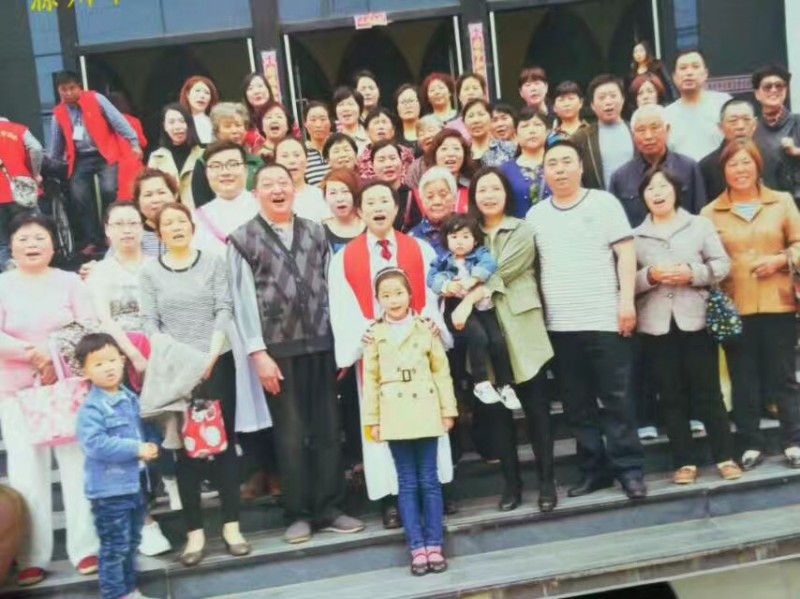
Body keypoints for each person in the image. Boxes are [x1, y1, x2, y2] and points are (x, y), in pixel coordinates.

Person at [228, 163, 364, 544]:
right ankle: (299, 513)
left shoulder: (316, 231)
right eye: (268, 184)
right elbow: (240, 302)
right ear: (256, 194)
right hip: (277, 350)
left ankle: (331, 507)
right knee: (290, 434)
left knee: (326, 429)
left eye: (283, 183)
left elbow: (334, 288)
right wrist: (258, 353)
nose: (277, 189)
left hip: (322, 343)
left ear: (294, 189)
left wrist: (341, 345)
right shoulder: (242, 238)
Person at [328, 180, 453, 528]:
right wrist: (363, 334)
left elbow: (431, 297)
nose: (379, 207)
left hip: (417, 350)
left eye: (385, 200)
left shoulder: (420, 250)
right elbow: (342, 306)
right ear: (360, 210)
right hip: (377, 356)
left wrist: (429, 325)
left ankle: (436, 491)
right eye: (370, 202)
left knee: (427, 419)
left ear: (396, 208)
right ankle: (393, 499)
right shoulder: (344, 259)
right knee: (383, 427)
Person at [528, 140, 646, 500]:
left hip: (605, 318)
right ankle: (594, 470)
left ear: (581, 167)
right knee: (577, 405)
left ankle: (629, 470)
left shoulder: (603, 203)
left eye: (567, 162)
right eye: (553, 164)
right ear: (544, 172)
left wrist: (626, 302)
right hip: (560, 325)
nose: (560, 169)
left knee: (617, 399)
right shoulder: (536, 216)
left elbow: (626, 253)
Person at [140, 202, 251, 566]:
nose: (176, 228)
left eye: (181, 222)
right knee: (184, 452)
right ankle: (195, 535)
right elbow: (150, 323)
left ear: (192, 226)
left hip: (216, 363)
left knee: (222, 445)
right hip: (176, 370)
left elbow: (224, 308)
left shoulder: (213, 263)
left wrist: (210, 356)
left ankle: (232, 528)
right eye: (167, 224)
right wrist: (183, 360)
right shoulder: (150, 272)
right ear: (159, 234)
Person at [0, 213, 99, 587]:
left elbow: (88, 326)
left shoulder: (70, 282)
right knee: (27, 473)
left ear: (53, 244)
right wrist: (33, 354)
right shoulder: (2, 284)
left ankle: (85, 548)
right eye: (23, 238)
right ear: (11, 246)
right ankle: (31, 556)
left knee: (76, 468)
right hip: (16, 391)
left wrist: (52, 351)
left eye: (39, 237)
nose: (32, 244)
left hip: (67, 388)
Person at [454, 167, 555, 512]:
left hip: (523, 326)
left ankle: (546, 482)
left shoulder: (522, 229)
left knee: (537, 410)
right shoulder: (467, 234)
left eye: (495, 188)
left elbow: (503, 270)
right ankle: (512, 485)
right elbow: (452, 273)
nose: (488, 195)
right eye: (481, 189)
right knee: (498, 416)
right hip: (488, 332)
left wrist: (469, 296)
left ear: (506, 193)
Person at [633, 167, 742, 484]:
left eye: (663, 186)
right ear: (642, 197)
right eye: (650, 188)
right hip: (656, 325)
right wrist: (650, 275)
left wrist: (692, 272)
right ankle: (684, 462)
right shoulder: (635, 236)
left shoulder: (699, 225)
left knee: (708, 392)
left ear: (676, 191)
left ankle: (725, 456)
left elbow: (722, 265)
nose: (657, 192)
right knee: (670, 394)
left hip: (696, 320)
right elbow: (626, 280)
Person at [700, 141, 800, 471]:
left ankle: (794, 440)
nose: (740, 170)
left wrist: (781, 260)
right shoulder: (710, 212)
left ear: (757, 166)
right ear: (723, 171)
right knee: (743, 379)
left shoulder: (781, 202)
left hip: (778, 302)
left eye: (746, 163)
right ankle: (750, 443)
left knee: (783, 376)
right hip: (735, 308)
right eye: (732, 165)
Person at [86, 202, 177, 554]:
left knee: (167, 433)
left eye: (133, 223)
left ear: (144, 228)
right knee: (131, 438)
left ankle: (174, 492)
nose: (127, 230)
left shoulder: (158, 267)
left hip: (163, 360)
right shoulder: (100, 273)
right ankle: (145, 522)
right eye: (119, 224)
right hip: (120, 365)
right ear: (107, 230)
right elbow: (104, 319)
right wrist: (133, 355)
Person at [362, 268, 458, 576]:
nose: (393, 300)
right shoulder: (374, 333)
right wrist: (373, 420)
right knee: (407, 481)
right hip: (393, 412)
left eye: (398, 293)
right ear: (378, 299)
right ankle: (416, 546)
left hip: (426, 407)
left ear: (410, 294)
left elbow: (441, 371)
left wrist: (448, 409)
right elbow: (371, 379)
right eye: (385, 295)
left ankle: (435, 544)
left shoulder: (425, 328)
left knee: (429, 479)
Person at [75, 333, 160, 599]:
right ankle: (114, 594)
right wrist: (136, 449)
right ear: (85, 371)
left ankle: (129, 590)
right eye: (98, 364)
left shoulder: (131, 398)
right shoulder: (92, 408)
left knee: (132, 542)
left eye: (112, 360)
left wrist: (152, 444)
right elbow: (96, 444)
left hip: (134, 485)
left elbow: (144, 429)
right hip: (109, 491)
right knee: (115, 547)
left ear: (123, 360)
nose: (108, 367)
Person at [428, 213, 520, 408]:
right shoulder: (443, 259)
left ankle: (505, 385)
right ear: (446, 239)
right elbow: (432, 278)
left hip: (482, 306)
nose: (459, 242)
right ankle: (481, 382)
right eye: (454, 237)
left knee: (497, 340)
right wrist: (446, 286)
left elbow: (489, 264)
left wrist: (475, 278)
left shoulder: (481, 254)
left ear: (475, 239)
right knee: (478, 337)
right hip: (455, 306)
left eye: (465, 236)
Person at [49, 71, 142, 255]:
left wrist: (134, 142)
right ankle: (92, 239)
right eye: (63, 90)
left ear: (79, 87)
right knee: (79, 194)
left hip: (104, 154)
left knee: (109, 189)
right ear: (59, 91)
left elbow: (118, 120)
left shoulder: (96, 99)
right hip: (81, 158)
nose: (68, 93)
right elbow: (55, 144)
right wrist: (53, 164)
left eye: (72, 88)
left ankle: (110, 234)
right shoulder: (58, 113)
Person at [610, 104, 706, 226]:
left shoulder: (689, 167)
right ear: (633, 134)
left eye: (655, 128)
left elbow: (700, 213)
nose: (648, 136)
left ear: (668, 129)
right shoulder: (620, 178)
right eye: (641, 130)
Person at [190, 102, 264, 209]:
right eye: (228, 126)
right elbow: (202, 203)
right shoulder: (204, 162)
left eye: (238, 125)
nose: (235, 131)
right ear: (217, 131)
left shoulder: (256, 162)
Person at [192, 142, 260, 255]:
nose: (225, 172)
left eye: (233, 164)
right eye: (216, 166)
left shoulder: (267, 209)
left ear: (246, 170)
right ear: (206, 173)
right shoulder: (196, 219)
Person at [665, 50, 732, 161]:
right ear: (674, 77)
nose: (689, 73)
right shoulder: (666, 114)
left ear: (705, 74)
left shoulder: (723, 103)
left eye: (695, 67)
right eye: (683, 68)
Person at [571, 74, 633, 190]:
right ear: (592, 105)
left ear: (623, 100)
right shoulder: (582, 137)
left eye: (613, 96)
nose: (608, 102)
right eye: (602, 97)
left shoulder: (636, 130)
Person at [752, 65, 800, 203]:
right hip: (767, 203)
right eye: (767, 86)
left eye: (779, 86)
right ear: (757, 94)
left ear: (786, 91)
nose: (774, 90)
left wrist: (796, 151)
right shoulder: (753, 128)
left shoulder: (798, 121)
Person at [0, 115, 42, 269]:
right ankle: (33, 269)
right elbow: (36, 148)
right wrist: (35, 173)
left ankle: (8, 273)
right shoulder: (19, 129)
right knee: (32, 232)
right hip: (21, 192)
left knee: (3, 242)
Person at [147, 103, 204, 209]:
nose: (177, 126)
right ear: (164, 126)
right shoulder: (156, 157)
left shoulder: (203, 155)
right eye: (171, 122)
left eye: (182, 121)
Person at [700, 99, 757, 200]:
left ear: (755, 124)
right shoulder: (706, 166)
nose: (740, 126)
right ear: (721, 127)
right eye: (733, 121)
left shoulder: (768, 157)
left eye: (746, 119)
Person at [501, 107, 552, 217]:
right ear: (515, 135)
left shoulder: (558, 165)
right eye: (525, 126)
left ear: (547, 131)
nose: (532, 130)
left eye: (537, 125)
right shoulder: (504, 170)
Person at [274, 137, 332, 222]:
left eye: (296, 155)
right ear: (275, 162)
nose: (292, 161)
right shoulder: (266, 199)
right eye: (285, 156)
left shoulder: (321, 197)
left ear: (307, 161)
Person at [370, 140, 420, 232]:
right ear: (372, 165)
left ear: (402, 162)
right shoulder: (368, 197)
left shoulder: (413, 196)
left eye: (392, 158)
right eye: (381, 160)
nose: (388, 164)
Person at [408, 166, 458, 257]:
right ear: (422, 200)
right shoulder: (412, 238)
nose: (437, 202)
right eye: (430, 197)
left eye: (443, 195)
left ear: (454, 197)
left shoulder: (468, 228)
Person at [423, 129, 476, 213]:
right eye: (444, 149)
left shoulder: (473, 187)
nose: (451, 154)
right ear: (434, 155)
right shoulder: (424, 186)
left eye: (456, 148)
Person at [108, 92, 147, 203]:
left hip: (117, 166)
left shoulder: (107, 124)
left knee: (122, 202)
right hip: (134, 162)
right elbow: (143, 142)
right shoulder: (134, 121)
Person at [356, 107, 414, 180]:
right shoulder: (360, 160)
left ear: (393, 130)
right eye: (376, 123)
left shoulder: (406, 154)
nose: (381, 127)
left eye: (384, 122)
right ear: (367, 131)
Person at [463, 99, 516, 167]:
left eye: (481, 114)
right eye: (470, 116)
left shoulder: (509, 149)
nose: (476, 120)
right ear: (464, 122)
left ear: (491, 119)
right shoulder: (462, 153)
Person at [321, 169, 364, 253]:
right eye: (333, 193)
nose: (340, 199)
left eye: (345, 191)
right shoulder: (319, 232)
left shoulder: (371, 226)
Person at [420, 73, 469, 140]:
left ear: (450, 92)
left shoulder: (462, 117)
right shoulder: (425, 121)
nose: (437, 92)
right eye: (432, 90)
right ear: (428, 98)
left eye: (441, 88)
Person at [404, 116, 444, 190]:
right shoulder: (415, 168)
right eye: (421, 134)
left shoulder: (454, 157)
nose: (427, 136)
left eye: (431, 130)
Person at [179, 76, 219, 145]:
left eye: (206, 93)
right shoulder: (179, 122)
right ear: (187, 94)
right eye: (197, 91)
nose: (202, 96)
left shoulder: (215, 123)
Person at [242, 73, 275, 151]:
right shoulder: (242, 121)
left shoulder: (282, 114)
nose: (256, 91)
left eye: (260, 86)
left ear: (268, 90)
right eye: (250, 88)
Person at [304, 101, 333, 186]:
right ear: (305, 124)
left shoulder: (338, 148)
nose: (318, 125)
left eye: (323, 119)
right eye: (313, 120)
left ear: (330, 122)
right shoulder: (302, 153)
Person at [333, 87, 369, 154]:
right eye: (341, 105)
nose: (346, 109)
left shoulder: (370, 136)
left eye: (351, 104)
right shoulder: (331, 140)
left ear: (360, 108)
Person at [395, 84, 421, 153]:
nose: (407, 106)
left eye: (411, 101)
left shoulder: (431, 131)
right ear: (397, 108)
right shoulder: (393, 137)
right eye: (403, 102)